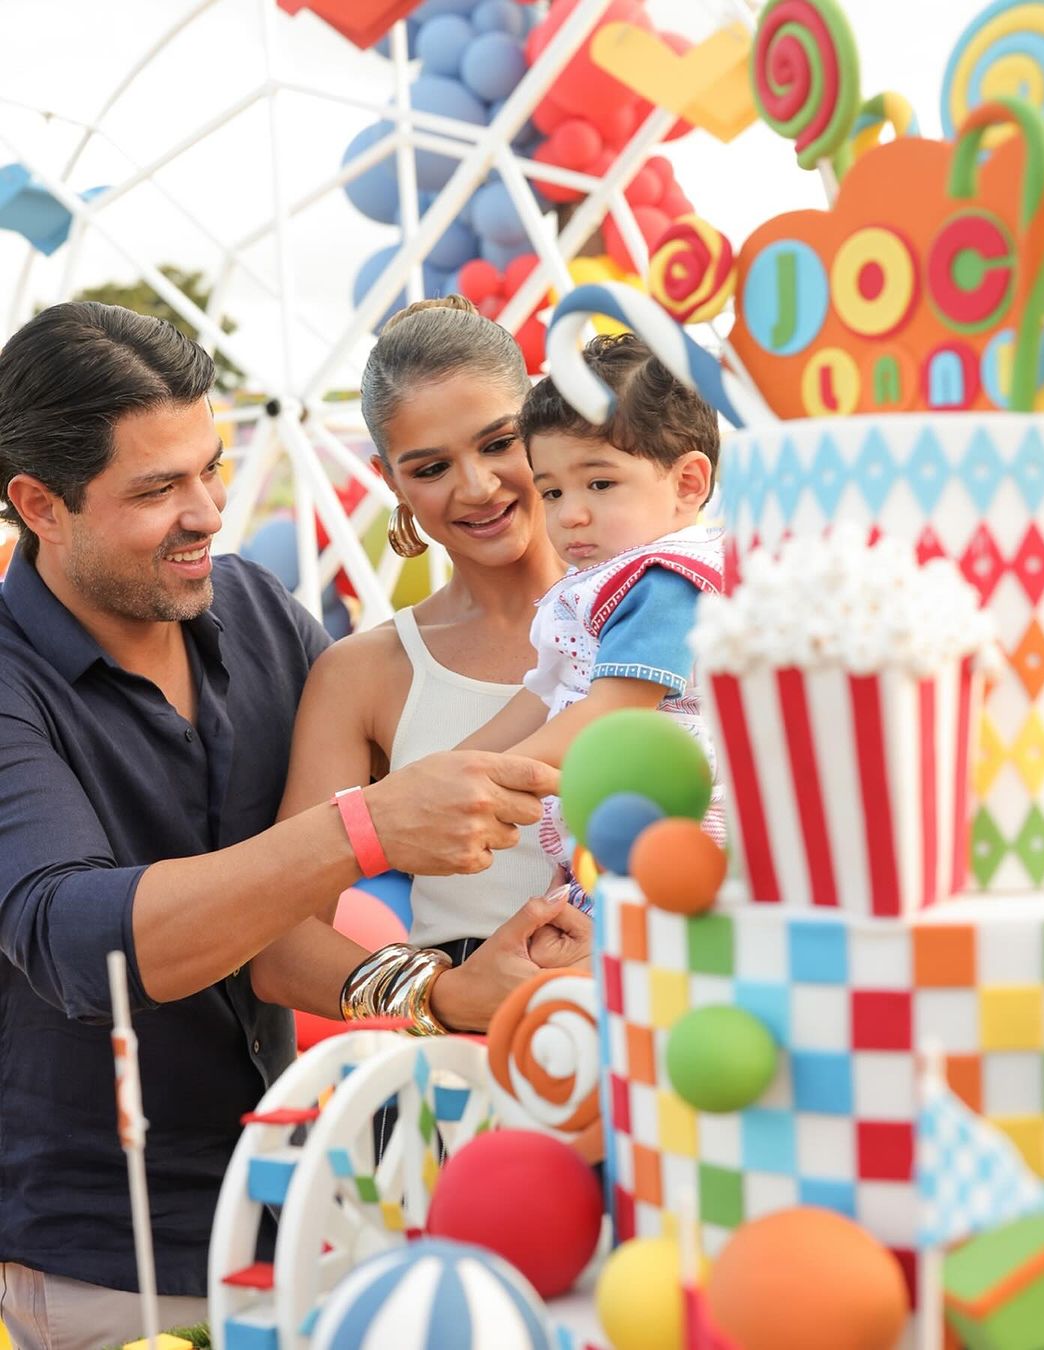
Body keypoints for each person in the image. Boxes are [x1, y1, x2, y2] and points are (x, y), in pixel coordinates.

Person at [0, 301, 585, 1349]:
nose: (207, 511)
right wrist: (366, 832)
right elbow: (85, 947)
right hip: (112, 1259)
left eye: (211, 469)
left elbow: (281, 940)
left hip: (314, 1199)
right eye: (157, 489)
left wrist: (441, 989)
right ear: (40, 504)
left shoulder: (257, 613)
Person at [250, 295, 589, 1012]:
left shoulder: (678, 608)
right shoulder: (363, 675)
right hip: (471, 1078)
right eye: (431, 468)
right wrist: (445, 995)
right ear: (390, 480)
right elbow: (279, 944)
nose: (477, 487)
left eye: (499, 443)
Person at [461, 332, 726, 907]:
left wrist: (490, 777)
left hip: (676, 838)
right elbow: (544, 694)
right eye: (551, 492)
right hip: (615, 844)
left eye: (600, 484)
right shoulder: (609, 579)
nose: (571, 515)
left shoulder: (665, 581)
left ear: (687, 483)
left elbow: (613, 707)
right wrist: (452, 769)